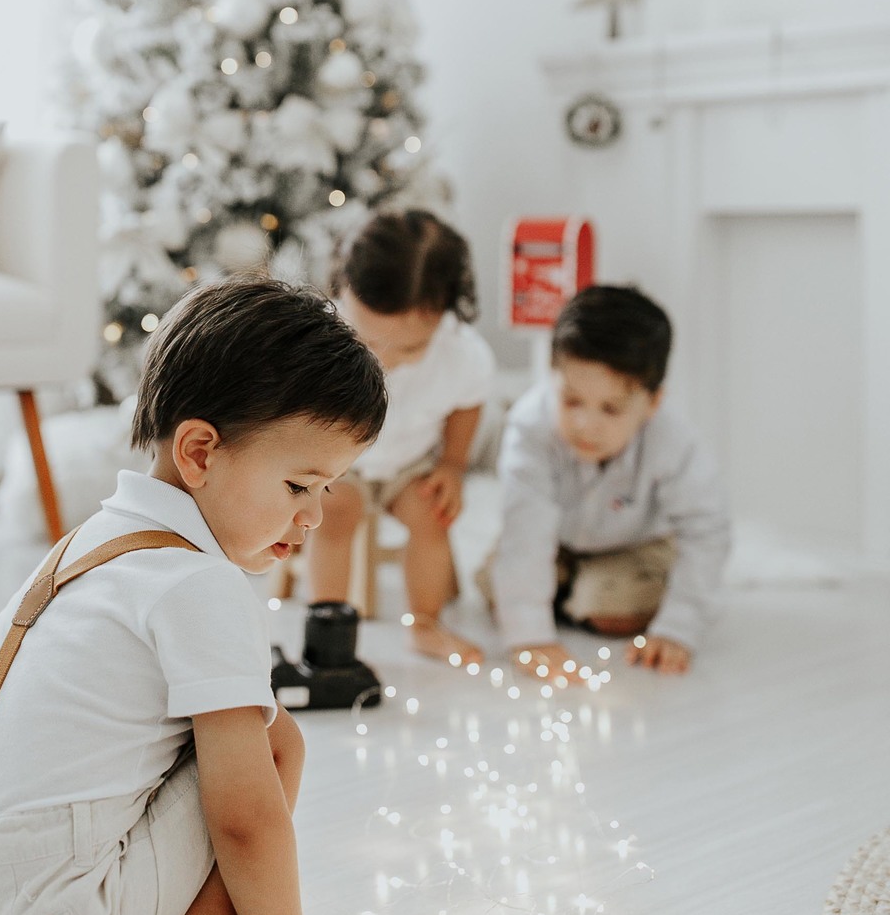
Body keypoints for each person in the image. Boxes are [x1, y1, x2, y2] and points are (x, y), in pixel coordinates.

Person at [0, 274, 385, 915]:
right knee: (273, 744)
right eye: (301, 484)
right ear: (199, 450)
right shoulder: (198, 585)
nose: (314, 518)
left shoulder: (93, 541)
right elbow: (246, 821)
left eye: (327, 491)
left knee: (224, 729)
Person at [482, 283, 730, 679]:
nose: (586, 425)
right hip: (557, 541)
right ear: (552, 378)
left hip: (635, 545)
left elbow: (706, 530)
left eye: (611, 409)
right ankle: (560, 591)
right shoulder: (530, 426)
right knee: (502, 580)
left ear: (652, 403)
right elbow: (526, 529)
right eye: (572, 401)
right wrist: (530, 636)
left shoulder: (672, 442)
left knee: (608, 605)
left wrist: (677, 628)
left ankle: (571, 595)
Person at [305, 209, 497, 667]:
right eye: (369, 342)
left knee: (432, 515)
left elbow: (468, 404)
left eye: (409, 348)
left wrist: (452, 464)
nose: (385, 360)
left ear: (446, 313)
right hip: (339, 465)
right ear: (344, 292)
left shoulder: (461, 354)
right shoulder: (321, 334)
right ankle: (328, 625)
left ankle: (425, 624)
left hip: (409, 465)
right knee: (335, 512)